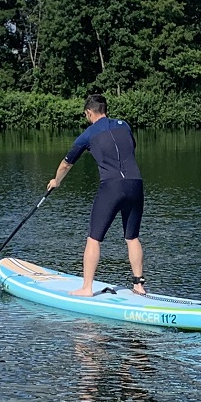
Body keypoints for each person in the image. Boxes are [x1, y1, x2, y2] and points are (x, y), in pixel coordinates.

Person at [47, 93, 145, 296]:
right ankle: (139, 285)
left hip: (111, 187)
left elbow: (67, 163)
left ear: (89, 113)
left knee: (94, 238)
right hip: (136, 184)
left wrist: (56, 181)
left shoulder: (88, 134)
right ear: (105, 109)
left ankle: (86, 288)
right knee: (132, 237)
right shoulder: (124, 125)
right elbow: (130, 148)